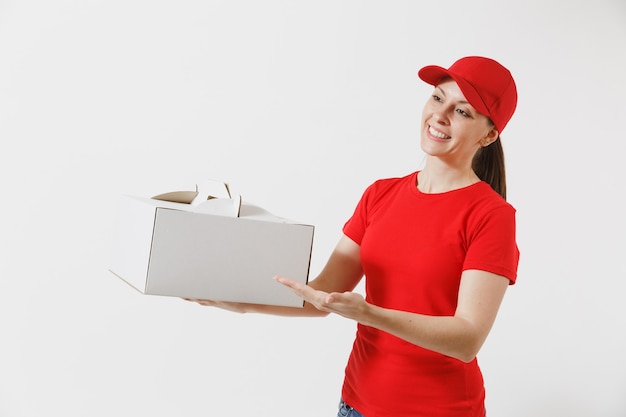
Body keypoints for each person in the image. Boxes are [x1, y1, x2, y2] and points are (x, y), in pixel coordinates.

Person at [188, 56, 520, 417]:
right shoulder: (380, 194)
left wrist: (370, 313)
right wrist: (241, 302)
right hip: (357, 405)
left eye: (463, 112)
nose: (440, 115)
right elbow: (323, 295)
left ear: (489, 134)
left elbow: (467, 339)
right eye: (439, 98)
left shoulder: (491, 216)